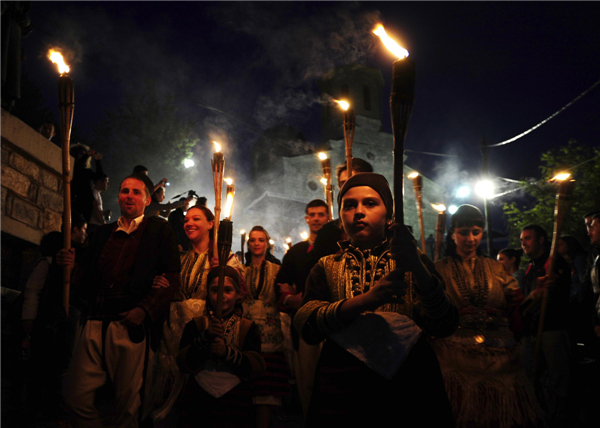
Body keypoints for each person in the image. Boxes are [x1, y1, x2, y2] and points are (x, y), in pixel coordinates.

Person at [295, 173, 458, 426]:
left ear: (389, 214)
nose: (359, 211)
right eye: (349, 205)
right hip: (341, 384)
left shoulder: (414, 260)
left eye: (370, 203)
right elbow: (307, 325)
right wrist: (364, 301)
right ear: (340, 218)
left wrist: (416, 266)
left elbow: (445, 323)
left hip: (408, 382)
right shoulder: (326, 266)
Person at [59, 174, 181, 428]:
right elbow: (85, 280)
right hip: (94, 322)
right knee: (75, 397)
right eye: (125, 190)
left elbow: (171, 278)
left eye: (136, 192)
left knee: (129, 406)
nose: (129, 195)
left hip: (131, 325)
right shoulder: (102, 233)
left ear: (147, 200)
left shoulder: (159, 231)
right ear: (118, 196)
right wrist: (71, 267)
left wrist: (144, 310)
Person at [432, 205, 539, 428]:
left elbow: (516, 309)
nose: (470, 238)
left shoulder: (496, 268)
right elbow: (429, 313)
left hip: (501, 356)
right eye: (463, 232)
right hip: (454, 355)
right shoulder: (439, 269)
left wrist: (536, 296)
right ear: (452, 234)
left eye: (476, 231)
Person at [148, 204, 243, 422]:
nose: (189, 223)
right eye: (187, 219)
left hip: (205, 335)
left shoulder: (225, 258)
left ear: (211, 224)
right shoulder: (179, 259)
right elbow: (173, 293)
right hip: (172, 337)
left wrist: (224, 273)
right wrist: (162, 284)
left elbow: (238, 295)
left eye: (196, 219)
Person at [177, 266, 265, 428]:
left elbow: (255, 368)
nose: (221, 296)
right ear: (208, 293)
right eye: (215, 290)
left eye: (228, 290)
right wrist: (205, 338)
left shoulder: (247, 328)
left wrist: (227, 353)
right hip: (198, 400)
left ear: (238, 295)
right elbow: (183, 363)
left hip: (235, 402)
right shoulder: (196, 325)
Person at [275, 199, 329, 415]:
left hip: (335, 324)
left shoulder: (339, 249)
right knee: (307, 379)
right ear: (307, 219)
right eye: (312, 214)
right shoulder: (296, 252)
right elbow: (280, 283)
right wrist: (290, 299)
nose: (316, 218)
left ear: (328, 217)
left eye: (321, 214)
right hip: (305, 324)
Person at [520, 224, 572, 427]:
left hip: (552, 328)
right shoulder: (531, 267)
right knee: (528, 377)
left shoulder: (554, 262)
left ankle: (560, 419)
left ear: (541, 240)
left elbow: (558, 296)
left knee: (559, 379)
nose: (523, 243)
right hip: (531, 331)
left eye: (528, 238)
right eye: (522, 239)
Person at [243, 226, 290, 428]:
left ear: (267, 243)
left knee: (267, 391)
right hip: (248, 333)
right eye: (253, 240)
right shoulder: (241, 270)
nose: (256, 243)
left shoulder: (277, 271)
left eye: (260, 240)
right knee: (247, 389)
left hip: (271, 336)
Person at [70, 143, 105, 224]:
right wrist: (87, 155)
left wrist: (97, 161)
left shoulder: (86, 170)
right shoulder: (75, 167)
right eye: (81, 154)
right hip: (77, 200)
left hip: (87, 203)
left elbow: (99, 176)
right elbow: (78, 165)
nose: (84, 156)